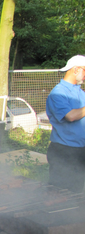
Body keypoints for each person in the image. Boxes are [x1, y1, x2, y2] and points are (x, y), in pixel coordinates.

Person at [46, 55, 85, 193]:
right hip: (64, 151)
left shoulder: (80, 92)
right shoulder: (58, 93)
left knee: (76, 191)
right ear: (76, 70)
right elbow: (70, 116)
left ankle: (71, 214)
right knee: (59, 192)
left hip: (80, 150)